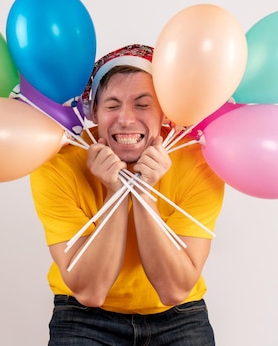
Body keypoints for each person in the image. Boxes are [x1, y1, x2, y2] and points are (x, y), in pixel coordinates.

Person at [30, 44, 225, 345]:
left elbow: (174, 290)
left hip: (179, 316)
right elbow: (90, 291)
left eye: (143, 104)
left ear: (165, 112)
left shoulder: (200, 161)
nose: (126, 119)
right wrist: (115, 191)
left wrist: (144, 192)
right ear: (93, 111)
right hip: (83, 317)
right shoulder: (56, 164)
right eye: (112, 105)